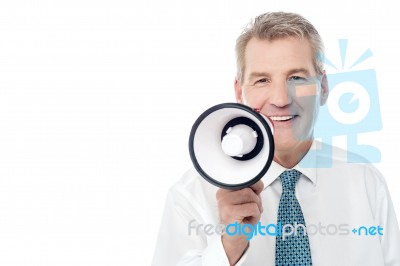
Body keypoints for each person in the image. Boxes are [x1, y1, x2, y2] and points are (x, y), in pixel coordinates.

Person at [152, 12, 400, 266]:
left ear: (323, 88)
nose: (281, 99)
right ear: (240, 91)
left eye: (296, 78)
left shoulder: (366, 182)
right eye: (262, 80)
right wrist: (229, 247)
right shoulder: (190, 196)